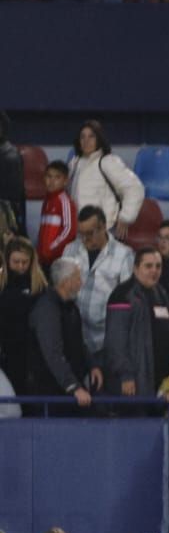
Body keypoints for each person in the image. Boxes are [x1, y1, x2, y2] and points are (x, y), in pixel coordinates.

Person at [103, 247, 169, 400]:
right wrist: (125, 375)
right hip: (135, 382)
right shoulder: (122, 295)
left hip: (160, 379)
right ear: (136, 268)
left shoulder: (162, 293)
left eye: (158, 266)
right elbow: (115, 342)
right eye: (148, 266)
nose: (154, 271)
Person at [62, 205, 134, 361]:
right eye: (81, 234)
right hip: (74, 336)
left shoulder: (124, 255)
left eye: (90, 233)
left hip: (105, 340)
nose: (85, 239)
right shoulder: (70, 250)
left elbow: (127, 300)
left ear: (103, 227)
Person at [67, 121, 144, 241]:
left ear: (99, 139)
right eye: (83, 137)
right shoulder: (74, 164)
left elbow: (135, 188)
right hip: (79, 232)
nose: (86, 141)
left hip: (104, 231)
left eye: (91, 136)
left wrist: (126, 217)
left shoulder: (108, 161)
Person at [1, 239, 48, 391]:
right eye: (16, 262)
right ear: (7, 260)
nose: (20, 266)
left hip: (33, 354)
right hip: (6, 352)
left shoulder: (40, 286)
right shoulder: (2, 285)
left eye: (25, 262)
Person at [37, 160, 76, 267]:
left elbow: (69, 231)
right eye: (49, 176)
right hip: (43, 259)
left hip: (57, 259)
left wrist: (50, 249)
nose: (52, 181)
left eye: (57, 177)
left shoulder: (64, 201)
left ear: (65, 181)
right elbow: (42, 231)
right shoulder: (46, 201)